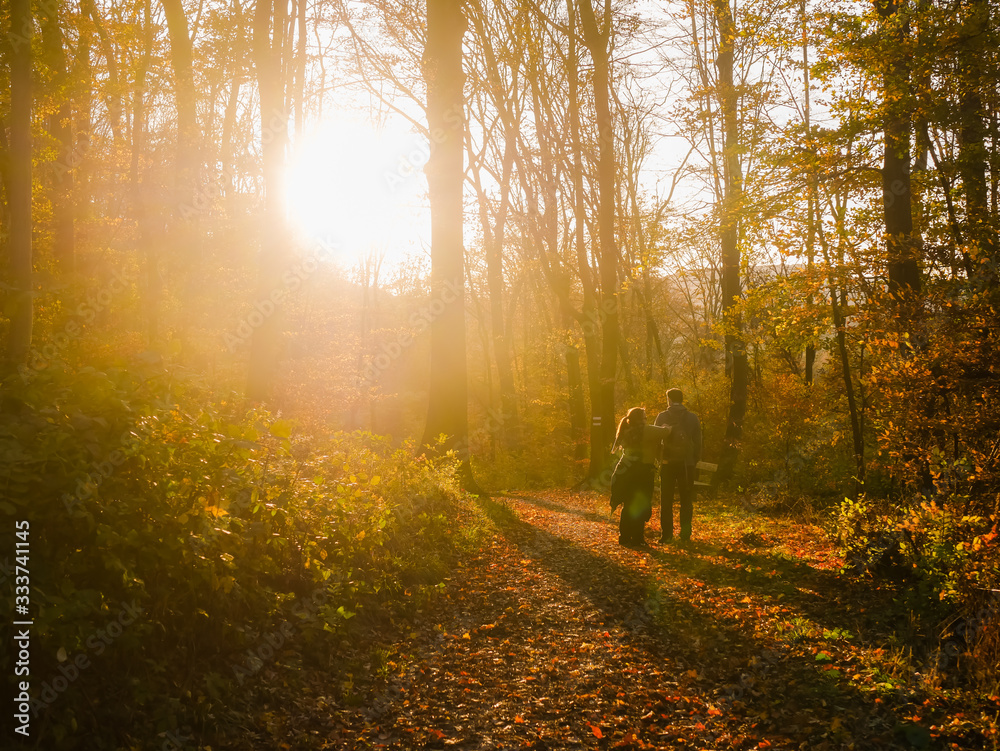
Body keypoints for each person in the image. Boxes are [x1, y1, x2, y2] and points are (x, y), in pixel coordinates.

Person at [610, 407, 671, 547]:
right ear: (640, 419)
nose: (646, 419)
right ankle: (637, 538)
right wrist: (667, 426)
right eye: (644, 417)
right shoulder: (647, 430)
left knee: (628, 504)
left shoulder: (626, 431)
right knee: (640, 505)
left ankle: (624, 536)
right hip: (642, 472)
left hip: (624, 472)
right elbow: (666, 432)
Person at [654, 388, 702, 543]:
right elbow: (699, 442)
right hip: (686, 464)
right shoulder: (692, 418)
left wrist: (659, 459)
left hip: (667, 464)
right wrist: (694, 460)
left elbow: (655, 440)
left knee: (666, 500)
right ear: (682, 399)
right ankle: (685, 535)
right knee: (686, 500)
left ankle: (666, 535)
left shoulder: (662, 417)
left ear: (669, 399)